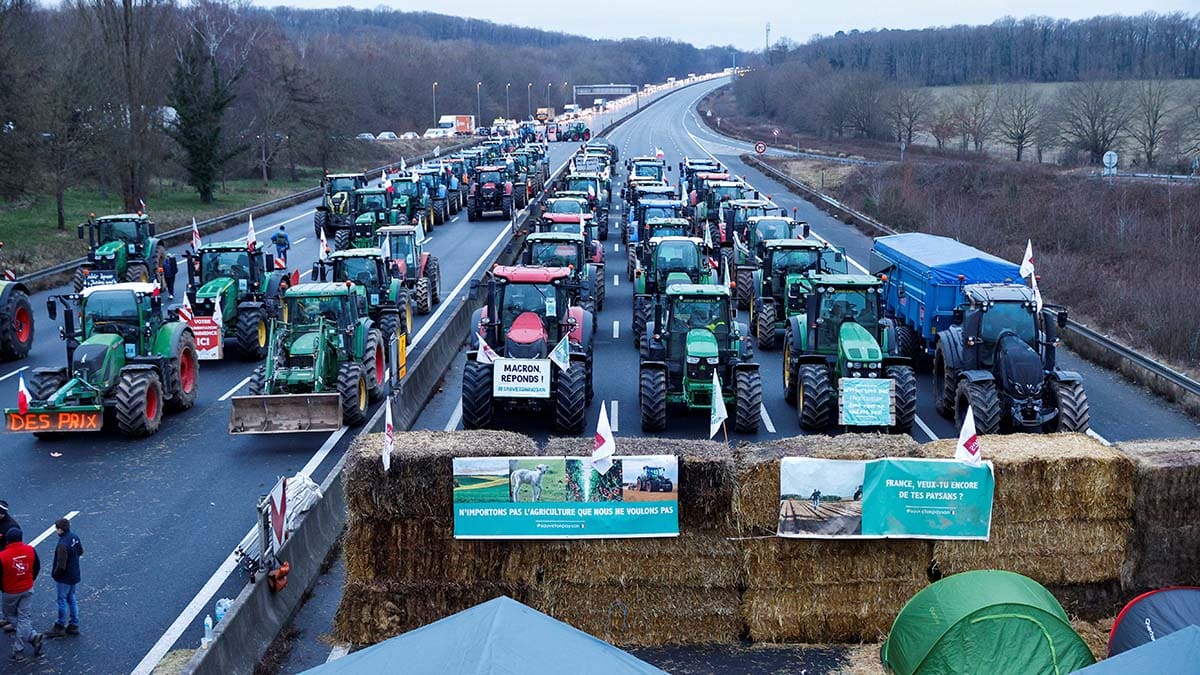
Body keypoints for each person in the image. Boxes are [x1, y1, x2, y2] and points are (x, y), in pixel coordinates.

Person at [1, 528, 43, 662]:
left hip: (10, 591)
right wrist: (30, 580)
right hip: (27, 589)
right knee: (24, 618)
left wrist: (3, 587)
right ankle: (29, 638)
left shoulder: (2, 556)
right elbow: (37, 566)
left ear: (8, 539)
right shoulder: (30, 550)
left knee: (10, 616)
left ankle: (24, 644)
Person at [47, 519, 82, 638]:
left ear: (60, 529)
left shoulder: (62, 544)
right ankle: (74, 624)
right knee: (71, 598)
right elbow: (80, 551)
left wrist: (56, 574)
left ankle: (60, 625)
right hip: (74, 574)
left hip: (64, 578)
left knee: (62, 600)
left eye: (56, 528)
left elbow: (61, 565)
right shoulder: (74, 537)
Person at [0, 502, 17, 634]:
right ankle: (7, 617)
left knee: (10, 593)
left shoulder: (11, 526)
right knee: (4, 592)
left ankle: (14, 620)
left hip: (6, 563)